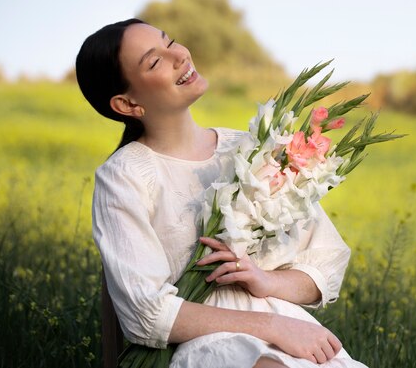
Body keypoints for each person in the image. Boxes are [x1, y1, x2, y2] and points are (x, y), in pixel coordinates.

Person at [76, 19, 367, 368]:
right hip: (207, 345)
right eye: (155, 61)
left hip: (297, 333)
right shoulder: (125, 176)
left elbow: (326, 262)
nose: (179, 56)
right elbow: (146, 313)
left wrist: (266, 281)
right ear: (128, 104)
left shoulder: (253, 149)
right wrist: (271, 327)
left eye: (172, 42)